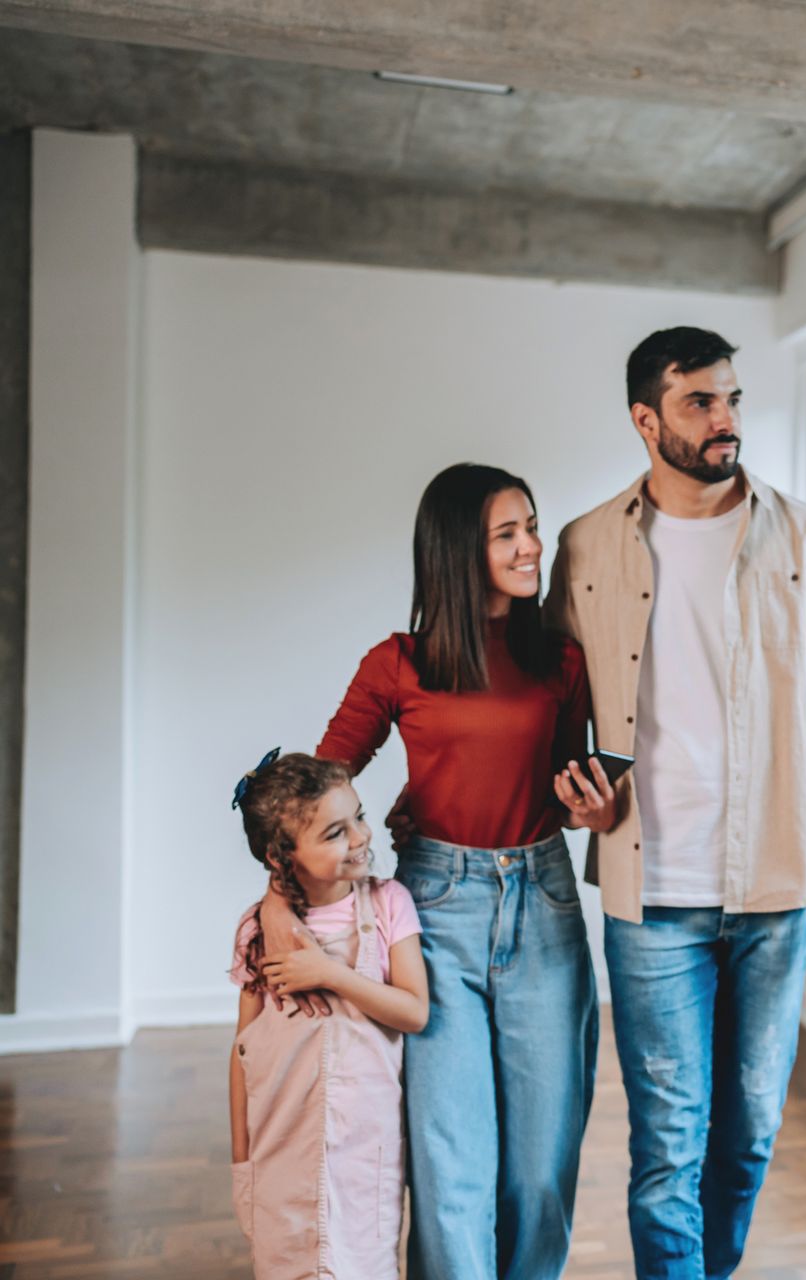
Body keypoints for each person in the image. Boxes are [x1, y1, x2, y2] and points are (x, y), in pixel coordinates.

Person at [543, 326, 806, 1279]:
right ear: (646, 419)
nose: (726, 419)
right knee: (668, 1150)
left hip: (777, 887)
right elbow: (553, 707)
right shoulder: (585, 545)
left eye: (732, 397)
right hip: (650, 895)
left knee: (747, 1140)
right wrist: (573, 793)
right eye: (700, 402)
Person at [268, 463, 615, 1280]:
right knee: (453, 1165)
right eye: (509, 534)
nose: (534, 546)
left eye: (532, 525)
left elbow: (566, 786)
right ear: (460, 550)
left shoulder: (560, 660)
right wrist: (278, 897)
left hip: (544, 902)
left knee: (540, 1168)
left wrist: (590, 811)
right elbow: (312, 794)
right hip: (432, 912)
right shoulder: (398, 662)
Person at [228, 750, 429, 1280]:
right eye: (335, 832)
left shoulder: (390, 903)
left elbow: (414, 1011)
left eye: (358, 817)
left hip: (368, 1153)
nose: (361, 837)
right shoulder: (259, 930)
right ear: (281, 857)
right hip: (279, 1150)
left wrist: (331, 973)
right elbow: (244, 1050)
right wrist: (242, 1157)